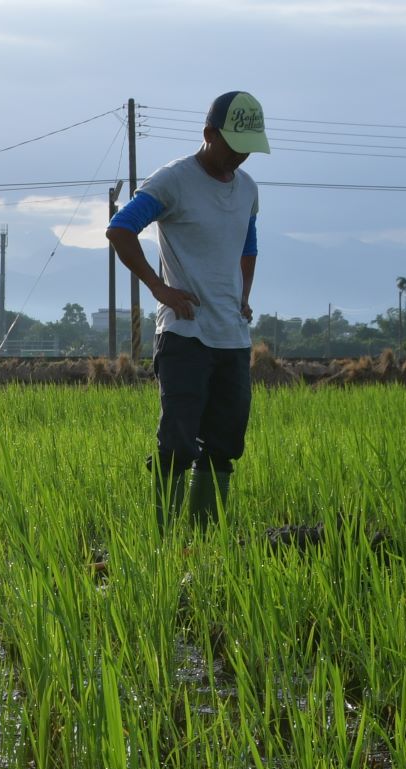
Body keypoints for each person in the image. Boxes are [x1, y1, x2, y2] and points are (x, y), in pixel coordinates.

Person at [106, 90, 269, 530]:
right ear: (208, 134)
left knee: (225, 444)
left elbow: (248, 244)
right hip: (185, 335)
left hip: (232, 337)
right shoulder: (173, 181)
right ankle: (164, 542)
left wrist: (243, 295)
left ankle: (203, 543)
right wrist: (160, 288)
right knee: (178, 443)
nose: (240, 157)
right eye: (233, 145)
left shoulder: (248, 190)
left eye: (248, 149)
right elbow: (121, 228)